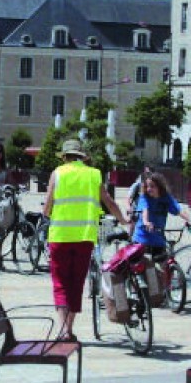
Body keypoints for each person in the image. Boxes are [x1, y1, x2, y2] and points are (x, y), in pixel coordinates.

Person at [44, 139, 130, 340]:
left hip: (60, 237)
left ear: (64, 157)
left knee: (60, 283)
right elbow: (108, 201)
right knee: (76, 282)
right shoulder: (93, 174)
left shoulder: (57, 174)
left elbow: (47, 207)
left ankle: (64, 330)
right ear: (82, 156)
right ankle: (69, 328)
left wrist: (49, 214)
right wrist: (123, 220)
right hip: (84, 238)